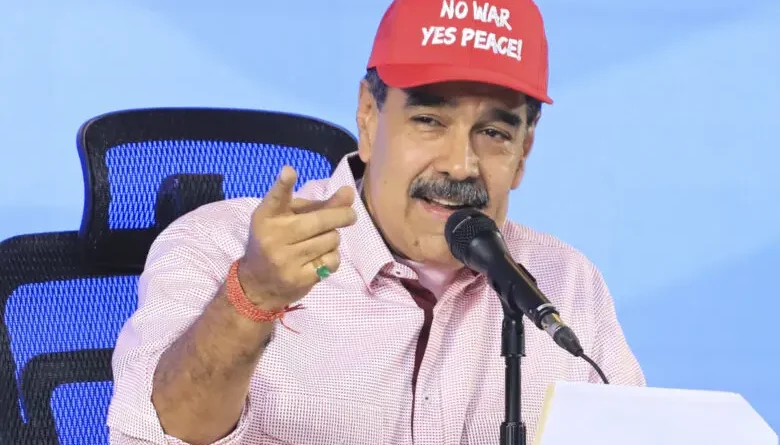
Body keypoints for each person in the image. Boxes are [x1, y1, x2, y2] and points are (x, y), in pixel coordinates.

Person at [107, 0, 645, 443]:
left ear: (523, 152)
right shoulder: (217, 243)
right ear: (368, 117)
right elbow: (159, 434)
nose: (460, 164)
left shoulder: (566, 285)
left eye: (494, 134)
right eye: (429, 120)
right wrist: (252, 299)